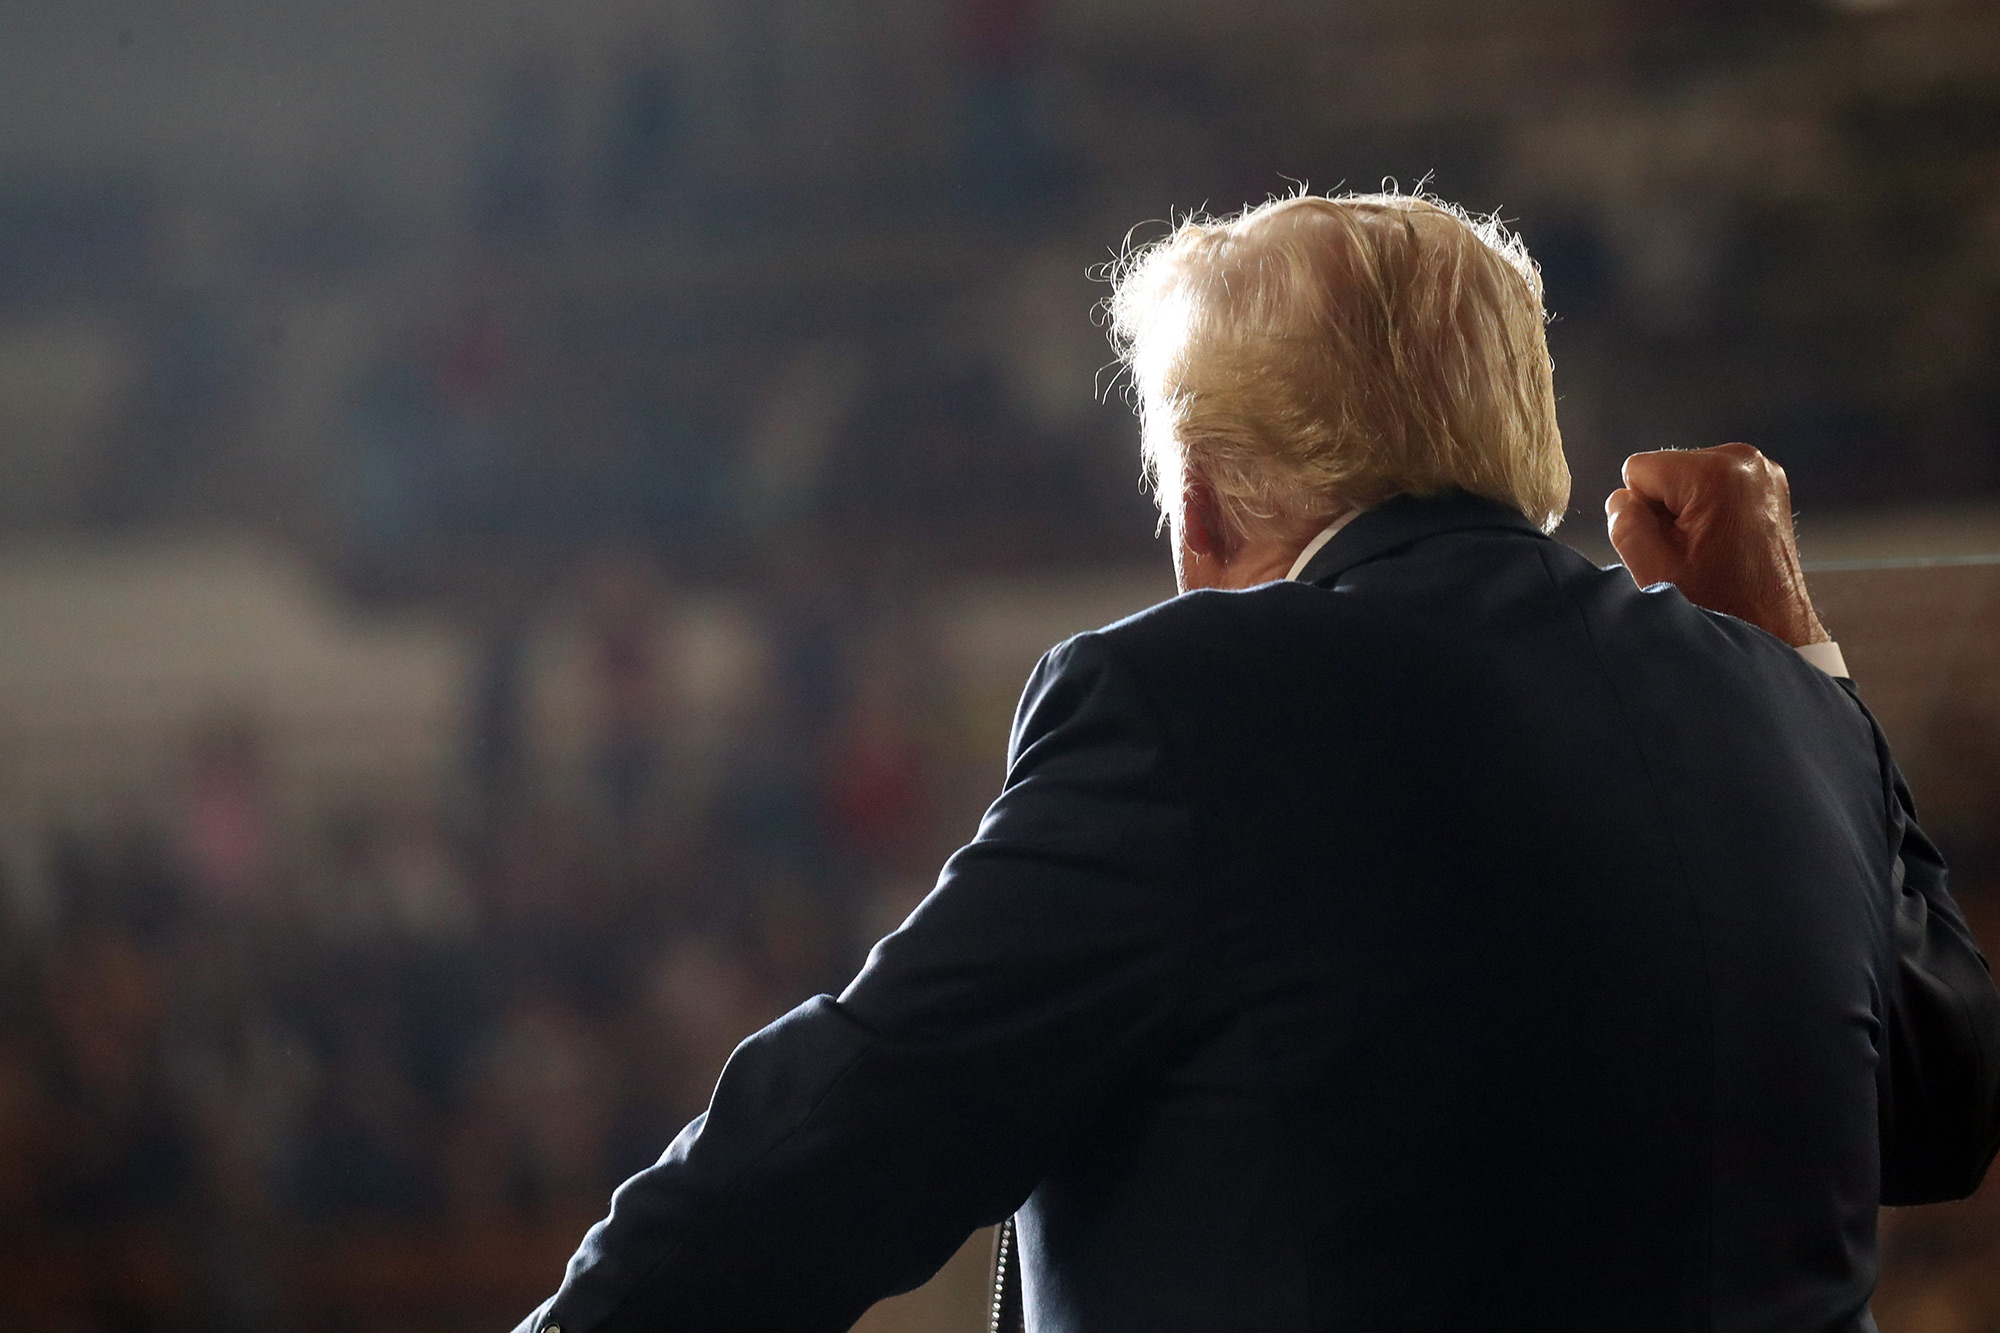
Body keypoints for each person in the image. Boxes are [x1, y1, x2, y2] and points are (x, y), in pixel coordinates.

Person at [512, 194, 2000, 1333]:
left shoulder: (1188, 703)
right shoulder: (1789, 703)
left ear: (1202, 516)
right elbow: (1944, 1106)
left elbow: (846, 1133)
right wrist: (1800, 655)